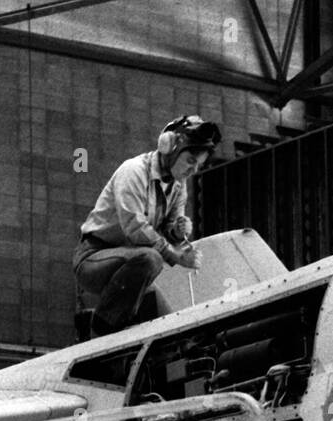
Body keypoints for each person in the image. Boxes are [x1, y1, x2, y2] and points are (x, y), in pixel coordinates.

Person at [73, 115, 222, 339]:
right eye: (191, 160)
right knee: (151, 259)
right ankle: (100, 330)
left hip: (132, 257)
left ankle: (119, 324)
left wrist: (177, 231)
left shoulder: (178, 186)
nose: (193, 170)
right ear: (170, 146)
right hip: (93, 258)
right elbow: (135, 227)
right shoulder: (133, 171)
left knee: (152, 268)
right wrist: (176, 256)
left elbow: (168, 229)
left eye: (198, 165)